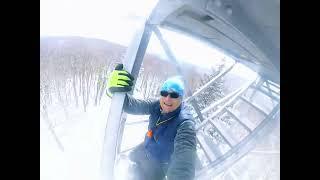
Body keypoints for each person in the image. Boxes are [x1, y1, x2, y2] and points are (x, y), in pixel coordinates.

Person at [107, 64, 197, 180]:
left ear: (181, 98)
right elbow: (133, 105)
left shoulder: (185, 123)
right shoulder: (156, 105)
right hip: (145, 149)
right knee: (130, 163)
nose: (167, 99)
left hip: (158, 165)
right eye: (164, 93)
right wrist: (114, 92)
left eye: (174, 95)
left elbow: (184, 160)